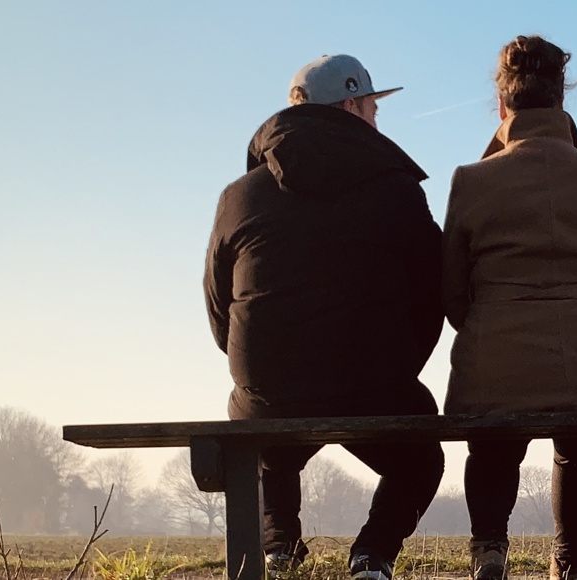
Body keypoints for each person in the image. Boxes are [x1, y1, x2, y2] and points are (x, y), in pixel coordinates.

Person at [205, 53, 446, 580]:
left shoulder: (237, 197)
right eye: (374, 107)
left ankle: (278, 548)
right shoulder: (399, 188)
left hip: (271, 389)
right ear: (353, 104)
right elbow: (435, 294)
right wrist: (398, 365)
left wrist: (258, 362)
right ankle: (372, 554)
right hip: (377, 383)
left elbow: (218, 307)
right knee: (422, 456)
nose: (379, 120)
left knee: (262, 426)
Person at [442, 36, 577, 580]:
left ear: (503, 105)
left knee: (493, 445)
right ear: (562, 100)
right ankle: (569, 562)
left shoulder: (471, 180)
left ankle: (490, 550)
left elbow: (452, 293)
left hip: (496, 359)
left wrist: (493, 321)